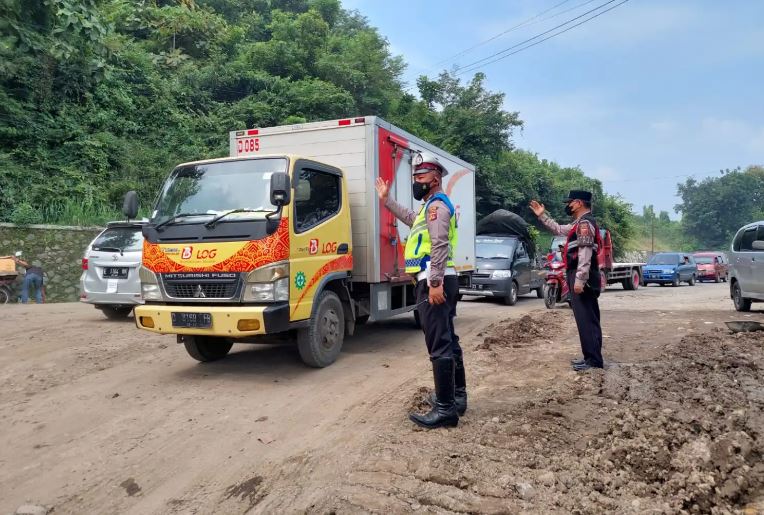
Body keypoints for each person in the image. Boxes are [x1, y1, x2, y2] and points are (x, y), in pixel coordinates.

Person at [375, 151, 465, 429]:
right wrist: (386, 200)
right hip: (437, 279)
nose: (416, 181)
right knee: (448, 339)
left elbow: (439, 245)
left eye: (421, 176)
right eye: (414, 176)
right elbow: (411, 217)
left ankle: (445, 409)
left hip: (434, 280)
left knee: (439, 343)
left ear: (436, 179)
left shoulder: (437, 207)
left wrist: (435, 282)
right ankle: (456, 397)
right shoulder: (430, 207)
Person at [530, 191, 604, 371]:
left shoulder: (585, 223)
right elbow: (559, 229)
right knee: (584, 318)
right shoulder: (578, 223)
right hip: (579, 274)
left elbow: (585, 253)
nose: (568, 206)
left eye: (570, 202)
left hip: (582, 277)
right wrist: (543, 217)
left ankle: (594, 361)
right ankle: (589, 357)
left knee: (587, 319)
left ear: (578, 203)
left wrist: (580, 279)